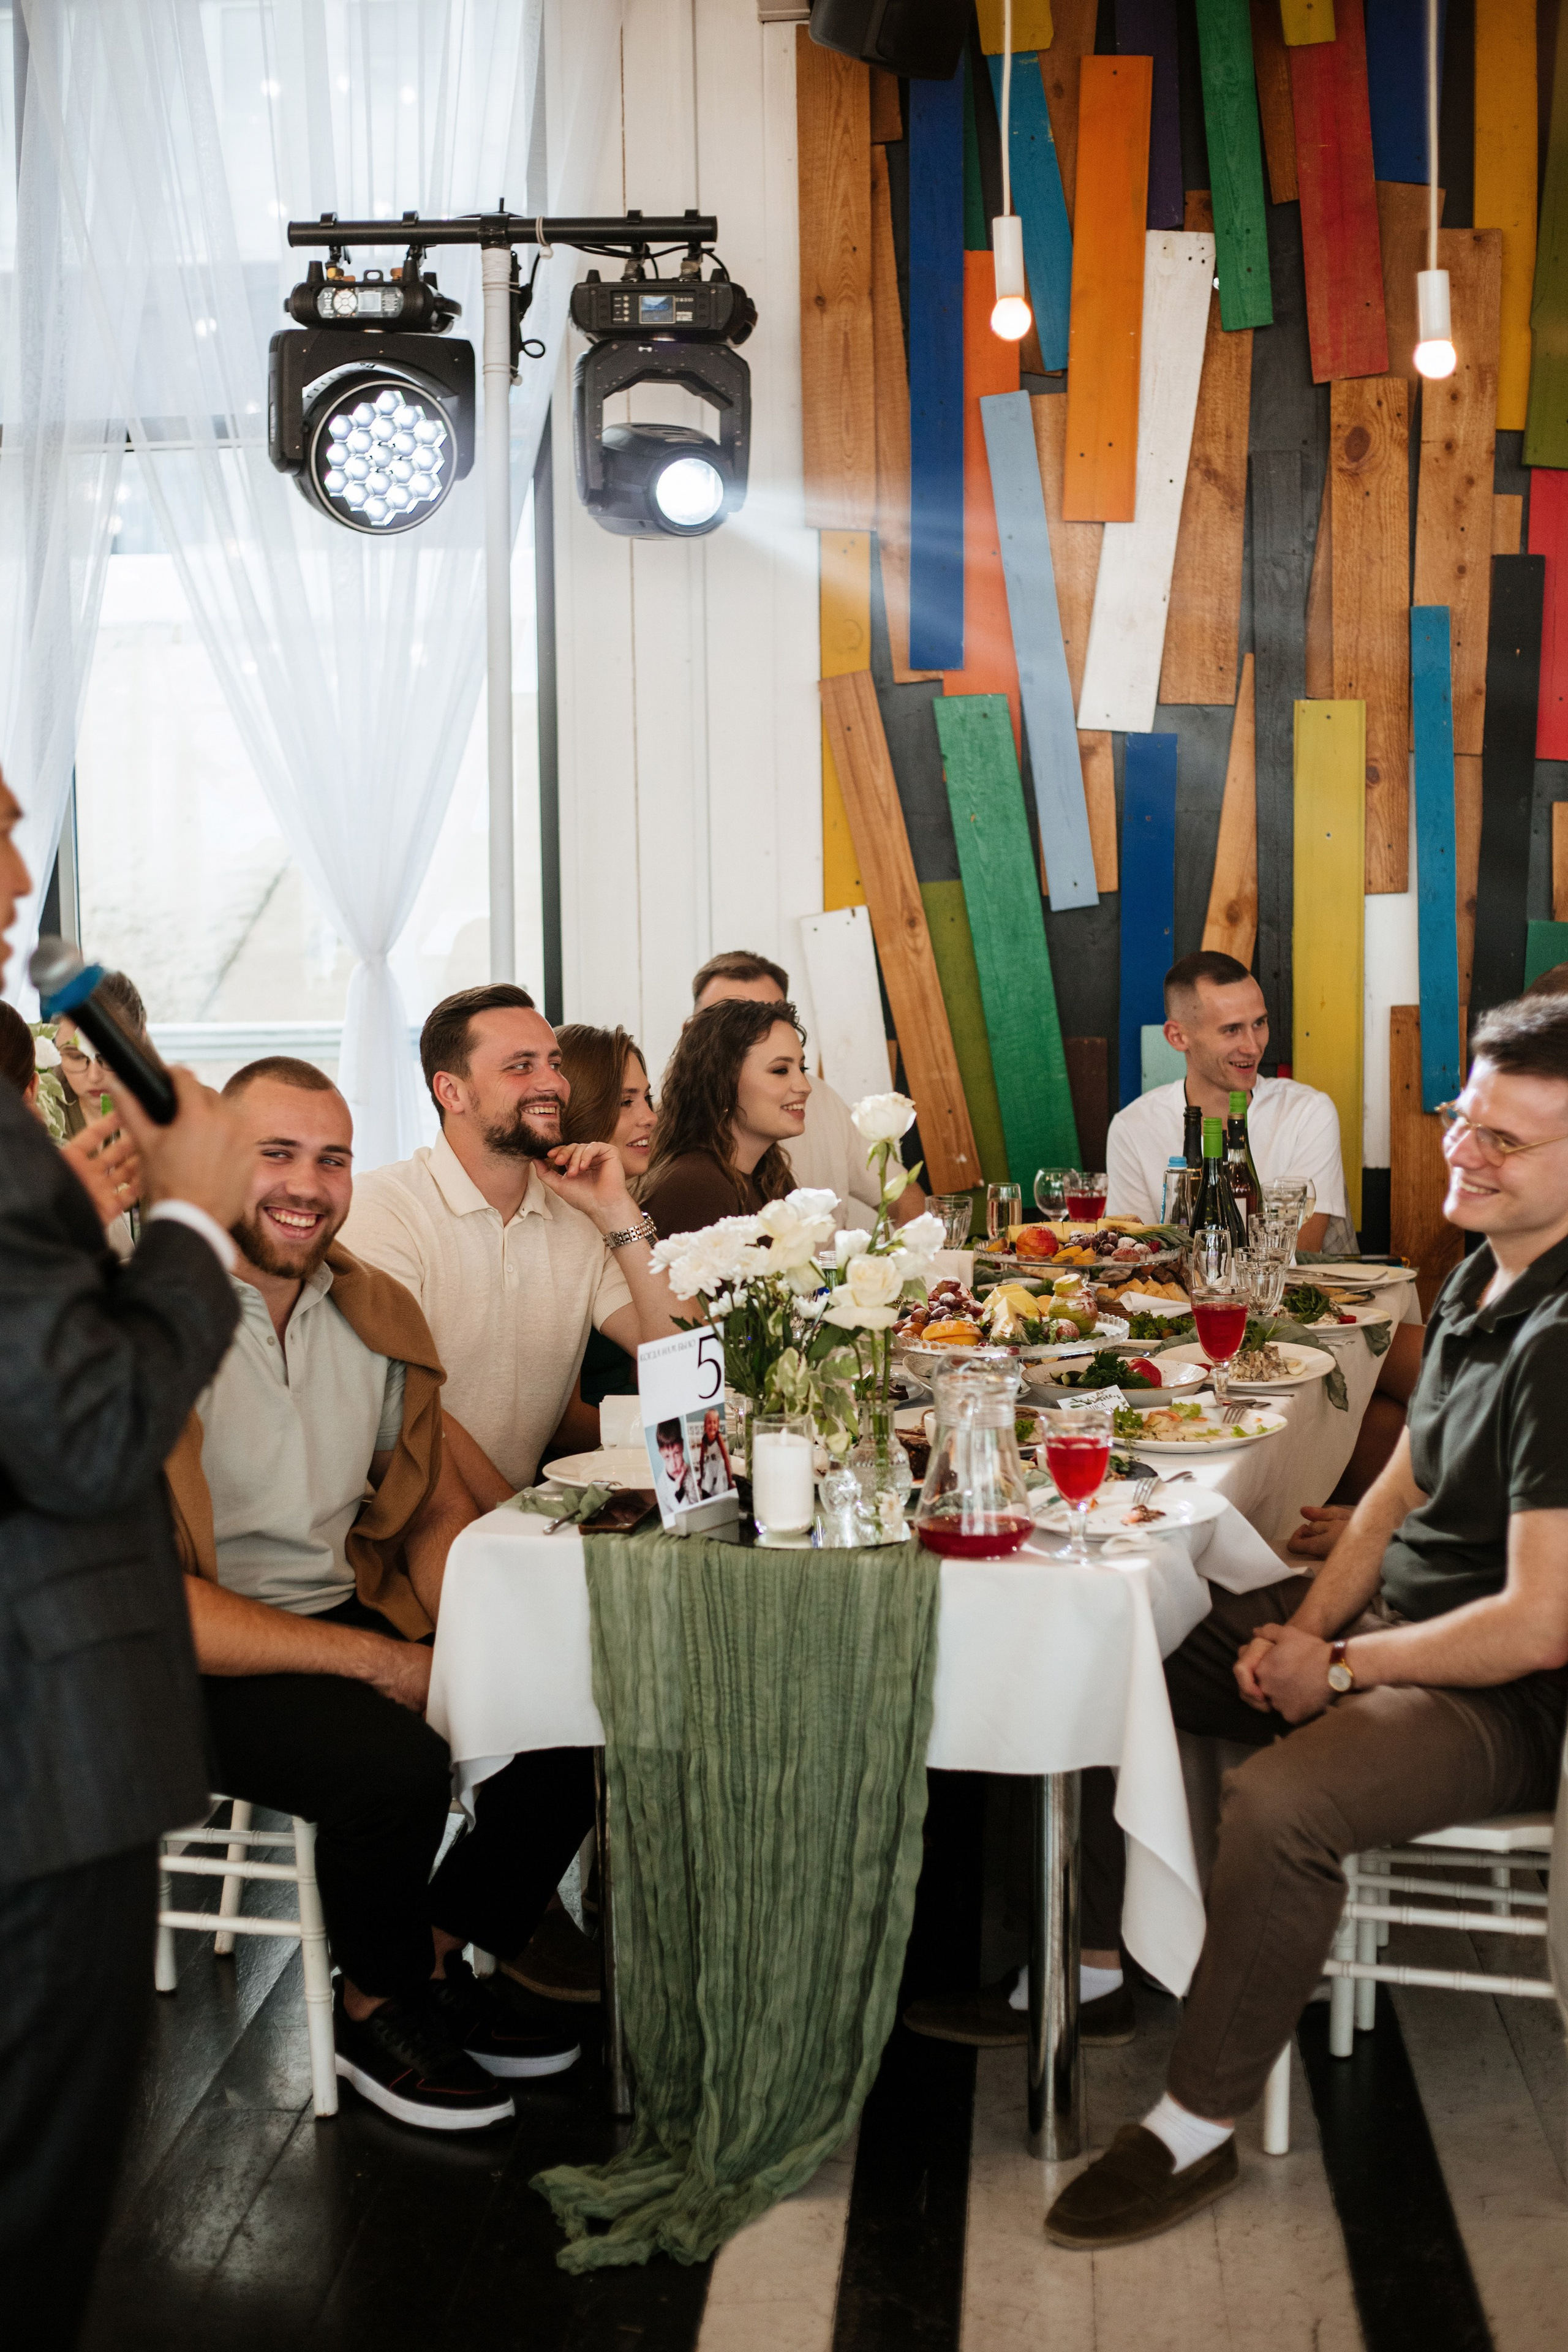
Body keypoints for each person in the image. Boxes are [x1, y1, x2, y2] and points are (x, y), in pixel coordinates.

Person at [1042, 993, 1568, 2250]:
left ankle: (1193, 2125)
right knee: (1126, 1637)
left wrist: (1333, 1667)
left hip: (1504, 1693)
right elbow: (1399, 1488)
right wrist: (1307, 1632)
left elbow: (1537, 1626)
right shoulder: (1482, 1276)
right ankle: (1103, 1960)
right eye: (1461, 1121)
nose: (1464, 1153)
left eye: (1504, 1140)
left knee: (1280, 1807)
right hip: (1401, 1624)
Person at [167, 1056, 593, 2127]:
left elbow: (429, 1505)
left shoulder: (372, 1312)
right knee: (391, 1766)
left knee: (563, 1725)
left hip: (336, 1606)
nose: (306, 1185)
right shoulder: (141, 1331)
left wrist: (473, 1648)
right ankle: (373, 2009)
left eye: (333, 1159)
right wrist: (384, 1662)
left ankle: (426, 1959)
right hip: (179, 1657)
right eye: (275, 1154)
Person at [0, 772, 249, 2342]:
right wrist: (194, 1227)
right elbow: (85, 1436)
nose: (19, 871)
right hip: (35, 1748)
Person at [341, 984, 676, 1501]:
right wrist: (510, 1518)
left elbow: (683, 1355)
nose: (553, 1083)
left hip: (512, 1518)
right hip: (395, 1524)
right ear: (451, 1092)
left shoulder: (579, 1217)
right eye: (521, 1066)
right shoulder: (385, 1208)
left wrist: (618, 1210)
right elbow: (409, 1415)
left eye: (554, 1064)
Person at [1104, 951, 1346, 1251]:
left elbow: (1301, 1253)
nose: (1253, 1047)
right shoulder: (1132, 1128)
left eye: (1259, 1023)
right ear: (1178, 1037)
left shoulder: (1307, 1113)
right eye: (1232, 1030)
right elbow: (1137, 1257)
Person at [691, 949, 928, 1232]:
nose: (758, 1036)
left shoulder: (821, 1099)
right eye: (732, 1025)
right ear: (690, 1033)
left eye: (774, 1019)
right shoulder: (658, 1124)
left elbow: (904, 1197)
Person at [551, 1024, 656, 1434]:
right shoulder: (557, 1221)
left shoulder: (616, 1210)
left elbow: (684, 1349)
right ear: (579, 1110)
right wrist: (662, 1434)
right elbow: (560, 1422)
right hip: (586, 1455)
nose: (650, 1118)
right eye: (625, 1102)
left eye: (647, 1098)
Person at [641, 995, 812, 1238]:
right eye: (780, 1070)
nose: (805, 1087)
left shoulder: (770, 1174)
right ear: (722, 1084)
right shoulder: (696, 1188)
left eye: (802, 1069)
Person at [655, 1419, 701, 1508]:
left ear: (682, 1446)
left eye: (676, 1453)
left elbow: (697, 1509)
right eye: (667, 1457)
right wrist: (678, 1488)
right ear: (661, 1453)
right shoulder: (661, 1488)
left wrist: (680, 1488)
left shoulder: (693, 1475)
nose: (674, 1465)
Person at [695, 1406, 732, 1497]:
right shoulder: (704, 1439)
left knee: (720, 1485)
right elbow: (701, 1460)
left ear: (718, 1425)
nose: (712, 1425)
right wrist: (701, 1478)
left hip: (721, 1465)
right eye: (709, 1423)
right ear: (705, 1425)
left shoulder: (718, 1437)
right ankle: (707, 1491)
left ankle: (720, 1491)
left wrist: (730, 1481)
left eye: (715, 1422)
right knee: (707, 1474)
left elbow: (726, 1458)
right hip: (711, 1465)